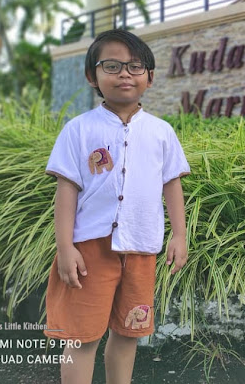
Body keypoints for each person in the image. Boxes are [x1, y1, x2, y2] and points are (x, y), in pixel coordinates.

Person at [43, 29, 190, 383]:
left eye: (135, 66)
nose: (125, 73)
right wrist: (65, 247)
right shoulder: (78, 130)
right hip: (90, 251)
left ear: (149, 77)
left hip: (141, 248)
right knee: (82, 337)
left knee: (128, 332)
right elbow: (66, 190)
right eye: (112, 65)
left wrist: (179, 236)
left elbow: (172, 184)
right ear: (92, 76)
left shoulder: (161, 132)